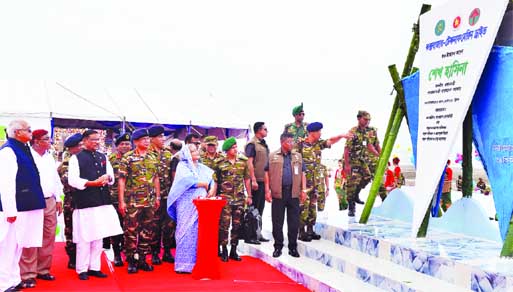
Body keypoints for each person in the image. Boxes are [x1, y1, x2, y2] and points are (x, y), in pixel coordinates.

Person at [68, 129, 123, 280]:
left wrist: (108, 178)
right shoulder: (76, 158)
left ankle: (95, 266)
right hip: (86, 202)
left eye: (98, 140)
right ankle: (82, 269)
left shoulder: (103, 156)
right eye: (93, 139)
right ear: (84, 141)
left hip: (102, 201)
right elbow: (73, 180)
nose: (96, 142)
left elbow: (111, 176)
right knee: (85, 237)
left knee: (99, 236)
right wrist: (92, 183)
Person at [0, 120, 46, 291]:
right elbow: (6, 183)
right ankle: (3, 284)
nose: (31, 132)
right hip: (14, 208)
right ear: (18, 132)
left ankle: (13, 279)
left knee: (18, 245)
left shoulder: (23, 148)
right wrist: (9, 210)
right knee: (7, 246)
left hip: (26, 205)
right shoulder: (8, 151)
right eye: (28, 130)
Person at [17, 129, 64, 285]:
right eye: (46, 139)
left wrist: (58, 198)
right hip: (32, 201)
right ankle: (27, 273)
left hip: (49, 200)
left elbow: (55, 179)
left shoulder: (49, 157)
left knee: (48, 236)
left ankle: (43, 270)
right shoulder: (27, 156)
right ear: (36, 141)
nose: (50, 141)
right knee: (31, 237)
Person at [295, 122, 352, 241]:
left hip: (316, 182)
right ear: (312, 132)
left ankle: (310, 230)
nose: (320, 133)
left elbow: (331, 140)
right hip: (304, 182)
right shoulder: (300, 145)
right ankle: (301, 231)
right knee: (303, 206)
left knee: (312, 205)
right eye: (319, 131)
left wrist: (341, 136)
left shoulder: (318, 144)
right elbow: (295, 164)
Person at [118, 128, 161, 274]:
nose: (147, 141)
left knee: (147, 231)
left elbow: (156, 178)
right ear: (136, 142)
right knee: (130, 231)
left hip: (149, 200)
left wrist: (158, 196)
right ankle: (131, 260)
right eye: (144, 139)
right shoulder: (128, 158)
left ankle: (142, 259)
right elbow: (122, 180)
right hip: (133, 201)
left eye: (148, 139)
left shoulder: (153, 157)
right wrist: (121, 201)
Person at [168, 144, 214, 273]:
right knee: (185, 230)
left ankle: (196, 263)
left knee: (197, 232)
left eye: (196, 149)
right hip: (186, 203)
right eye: (193, 151)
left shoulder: (201, 167)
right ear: (187, 153)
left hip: (201, 204)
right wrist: (203, 184)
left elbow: (212, 179)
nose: (197, 152)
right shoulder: (182, 166)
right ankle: (183, 265)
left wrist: (211, 189)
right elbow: (186, 182)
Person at [264, 133, 306, 258]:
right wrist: (267, 190)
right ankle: (278, 247)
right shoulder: (272, 156)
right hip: (278, 193)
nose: (292, 144)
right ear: (282, 142)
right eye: (289, 142)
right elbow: (267, 173)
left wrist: (303, 190)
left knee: (293, 222)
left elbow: (303, 173)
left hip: (293, 193)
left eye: (292, 142)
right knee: (277, 222)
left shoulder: (297, 156)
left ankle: (293, 247)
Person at [211, 137, 251, 262]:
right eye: (233, 148)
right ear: (227, 150)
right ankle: (224, 250)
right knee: (224, 225)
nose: (235, 150)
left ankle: (234, 249)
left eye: (236, 147)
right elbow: (215, 181)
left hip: (239, 198)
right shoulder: (219, 163)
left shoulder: (243, 162)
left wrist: (249, 195)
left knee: (237, 225)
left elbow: (247, 179)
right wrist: (213, 194)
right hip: (225, 199)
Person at [344, 110, 381, 217]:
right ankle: (351, 207)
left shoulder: (365, 132)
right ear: (359, 119)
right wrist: (346, 165)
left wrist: (379, 155)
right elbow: (346, 149)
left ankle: (356, 195)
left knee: (368, 176)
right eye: (365, 119)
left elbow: (369, 146)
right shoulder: (353, 131)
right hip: (351, 160)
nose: (367, 122)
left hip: (361, 160)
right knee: (351, 183)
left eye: (369, 120)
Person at [148, 125, 175, 265]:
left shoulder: (168, 154)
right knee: (154, 226)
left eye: (163, 136)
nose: (163, 139)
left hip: (168, 195)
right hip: (152, 197)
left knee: (169, 225)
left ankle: (167, 252)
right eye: (159, 136)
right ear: (152, 139)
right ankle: (154, 252)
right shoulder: (147, 154)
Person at [105, 132, 132, 267]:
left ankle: (129, 254)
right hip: (114, 199)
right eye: (123, 144)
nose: (126, 146)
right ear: (117, 146)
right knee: (116, 227)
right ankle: (116, 254)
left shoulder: (135, 158)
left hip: (132, 199)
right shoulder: (110, 159)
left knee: (130, 228)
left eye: (128, 144)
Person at [57, 133, 83, 269]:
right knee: (71, 231)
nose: (82, 148)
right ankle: (73, 258)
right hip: (72, 203)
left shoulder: (85, 160)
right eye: (79, 146)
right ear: (72, 149)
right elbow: (70, 184)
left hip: (86, 202)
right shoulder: (65, 165)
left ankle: (84, 257)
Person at [245, 122, 270, 242]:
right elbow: (249, 163)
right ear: (259, 130)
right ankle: (250, 236)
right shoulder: (252, 144)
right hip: (255, 182)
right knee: (252, 210)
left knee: (260, 210)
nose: (267, 131)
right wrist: (253, 179)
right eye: (265, 129)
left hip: (262, 181)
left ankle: (258, 233)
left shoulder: (263, 144)